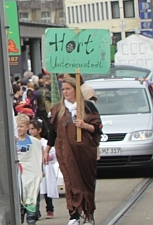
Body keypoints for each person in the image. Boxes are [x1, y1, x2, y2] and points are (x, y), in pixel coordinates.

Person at [48, 78, 101, 225]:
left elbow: (98, 128)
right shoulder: (58, 109)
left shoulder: (88, 106)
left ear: (76, 90)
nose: (65, 92)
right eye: (63, 89)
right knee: (71, 182)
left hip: (85, 152)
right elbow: (52, 131)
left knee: (86, 182)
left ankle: (88, 213)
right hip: (66, 151)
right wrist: (47, 149)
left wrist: (85, 125)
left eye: (68, 89)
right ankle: (74, 215)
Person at [16, 113, 45, 225]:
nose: (19, 129)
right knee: (19, 199)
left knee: (32, 196)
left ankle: (31, 219)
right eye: (17, 126)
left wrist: (40, 171)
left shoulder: (35, 143)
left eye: (21, 126)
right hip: (18, 176)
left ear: (27, 127)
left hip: (31, 176)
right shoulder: (12, 141)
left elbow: (37, 158)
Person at [33, 118, 58, 219]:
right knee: (36, 191)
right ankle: (36, 212)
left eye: (33, 129)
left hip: (45, 168)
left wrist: (46, 155)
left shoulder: (45, 142)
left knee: (46, 189)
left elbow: (53, 155)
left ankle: (50, 209)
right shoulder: (30, 142)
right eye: (30, 129)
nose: (31, 131)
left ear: (39, 130)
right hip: (34, 168)